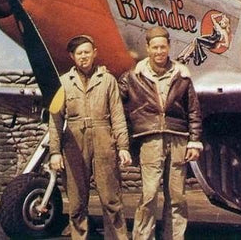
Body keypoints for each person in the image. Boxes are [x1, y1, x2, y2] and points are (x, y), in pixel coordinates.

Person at [119, 26, 203, 240]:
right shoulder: (132, 77)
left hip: (178, 139)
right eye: (155, 47)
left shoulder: (182, 75)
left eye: (163, 47)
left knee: (176, 197)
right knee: (148, 195)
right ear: (147, 48)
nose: (159, 51)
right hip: (150, 140)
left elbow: (193, 109)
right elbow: (113, 102)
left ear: (169, 47)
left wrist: (194, 141)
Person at [48, 34, 132, 240]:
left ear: (94, 53)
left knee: (111, 198)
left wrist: (123, 146)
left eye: (87, 52)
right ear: (72, 56)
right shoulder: (63, 83)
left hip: (104, 138)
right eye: (79, 53)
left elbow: (118, 115)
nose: (83, 57)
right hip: (74, 142)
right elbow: (55, 120)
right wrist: (55, 152)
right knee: (76, 201)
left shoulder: (108, 81)